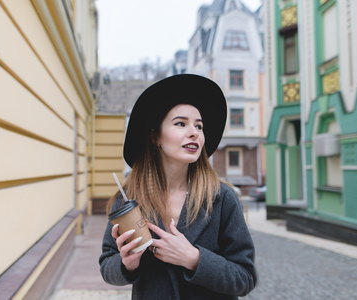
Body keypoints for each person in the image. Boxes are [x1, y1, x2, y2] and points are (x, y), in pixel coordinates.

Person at [99, 74, 257, 299]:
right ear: (156, 137)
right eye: (181, 123)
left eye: (199, 126)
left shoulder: (222, 198)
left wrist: (194, 259)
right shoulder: (128, 200)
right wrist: (127, 264)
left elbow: (245, 278)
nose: (194, 132)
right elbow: (107, 266)